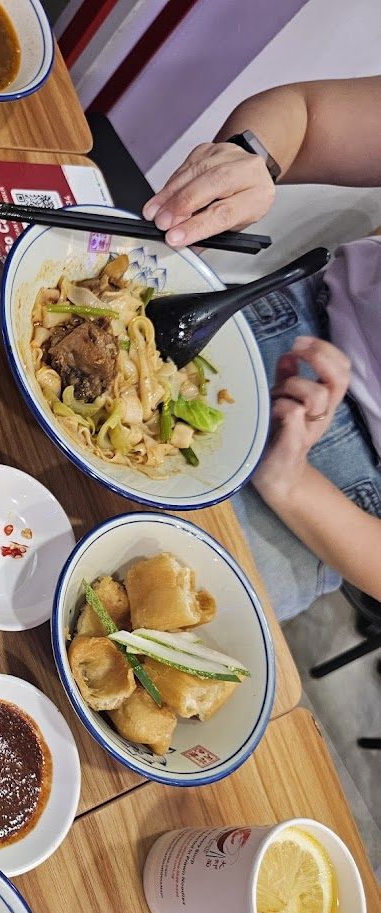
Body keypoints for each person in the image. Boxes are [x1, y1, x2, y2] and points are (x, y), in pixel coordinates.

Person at [142, 76, 381, 621]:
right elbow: (305, 113)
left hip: (333, 502)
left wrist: (292, 483)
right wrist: (246, 160)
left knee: (139, 615)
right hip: (279, 314)